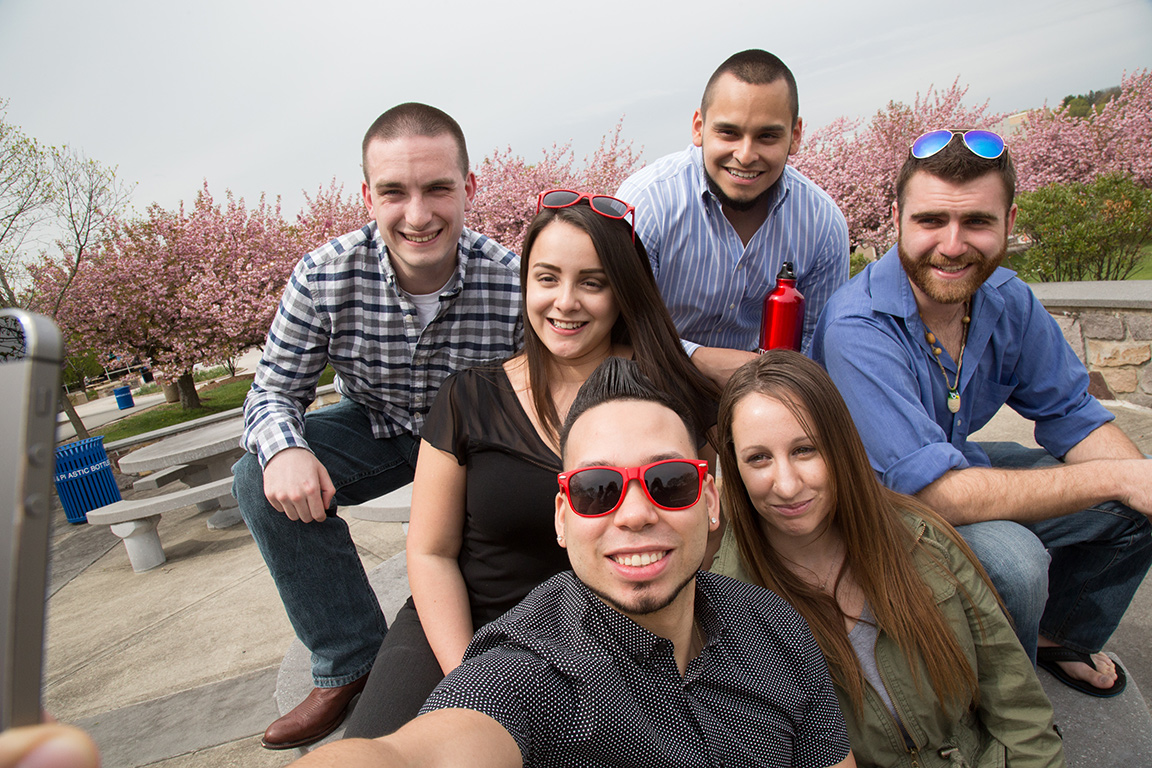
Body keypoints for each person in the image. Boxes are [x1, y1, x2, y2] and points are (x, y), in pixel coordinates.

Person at [291, 358, 855, 768]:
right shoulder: (534, 671)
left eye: (669, 483)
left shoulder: (773, 626)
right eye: (597, 489)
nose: (634, 514)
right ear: (563, 517)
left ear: (709, 501)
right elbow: (424, 751)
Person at [342, 190, 719, 738]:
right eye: (546, 278)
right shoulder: (467, 397)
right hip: (464, 629)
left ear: (622, 293)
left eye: (592, 282)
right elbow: (430, 551)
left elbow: (705, 530)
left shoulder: (673, 402)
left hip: (613, 641)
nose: (565, 302)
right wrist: (468, 677)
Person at [811, 128, 1152, 697]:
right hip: (876, 502)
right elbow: (936, 493)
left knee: (1133, 502)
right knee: (1016, 565)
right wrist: (1120, 476)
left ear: (1009, 221)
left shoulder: (1006, 299)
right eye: (930, 221)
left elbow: (1074, 413)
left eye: (976, 222)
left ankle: (1058, 634)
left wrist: (1138, 480)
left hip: (954, 467)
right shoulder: (857, 325)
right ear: (895, 218)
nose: (952, 244)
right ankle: (997, 702)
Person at [233, 103, 523, 749]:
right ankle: (349, 661)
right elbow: (272, 392)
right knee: (256, 476)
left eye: (438, 188)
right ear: (368, 196)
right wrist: (284, 452)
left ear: (469, 188)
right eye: (394, 191)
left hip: (479, 443)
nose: (417, 215)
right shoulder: (323, 275)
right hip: (379, 428)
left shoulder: (513, 282)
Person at [713, 351, 1065, 768]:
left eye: (805, 449)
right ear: (734, 466)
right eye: (759, 458)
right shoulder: (728, 605)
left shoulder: (919, 536)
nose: (787, 485)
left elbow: (1016, 704)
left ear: (840, 446)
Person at [616, 48, 849, 384]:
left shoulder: (822, 224)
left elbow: (817, 348)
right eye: (729, 133)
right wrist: (701, 360)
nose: (745, 155)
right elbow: (617, 335)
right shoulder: (647, 204)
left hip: (766, 397)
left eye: (767, 136)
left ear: (795, 135)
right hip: (653, 386)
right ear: (699, 127)